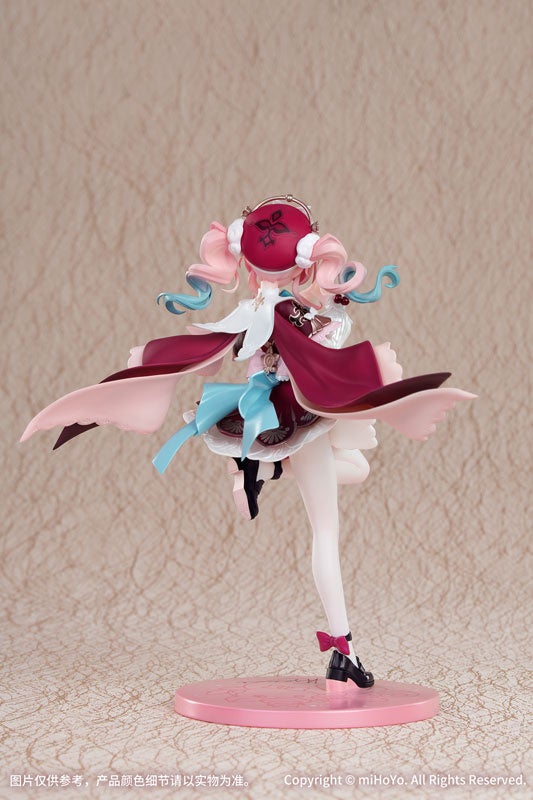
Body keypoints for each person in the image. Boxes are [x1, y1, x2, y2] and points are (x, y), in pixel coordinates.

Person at [21, 195, 475, 687]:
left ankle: (262, 469)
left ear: (247, 265)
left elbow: (219, 348)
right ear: (305, 263)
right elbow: (325, 350)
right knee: (326, 532)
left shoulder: (251, 311)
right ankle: (343, 650)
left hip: (275, 413)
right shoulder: (295, 314)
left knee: (358, 469)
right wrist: (324, 313)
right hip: (296, 415)